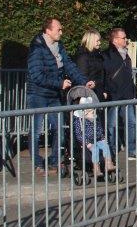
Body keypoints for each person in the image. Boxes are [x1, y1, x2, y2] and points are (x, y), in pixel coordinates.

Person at [26, 17, 92, 175]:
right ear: (48, 31)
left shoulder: (59, 47)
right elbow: (36, 75)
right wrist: (59, 84)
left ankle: (55, 161)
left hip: (54, 95)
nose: (61, 32)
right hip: (38, 95)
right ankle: (37, 163)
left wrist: (84, 82)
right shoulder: (37, 49)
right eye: (58, 29)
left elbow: (69, 65)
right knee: (35, 131)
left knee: (59, 129)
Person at [104, 27, 137, 160]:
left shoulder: (126, 55)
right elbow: (106, 75)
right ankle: (112, 152)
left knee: (131, 122)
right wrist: (109, 90)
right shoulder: (107, 55)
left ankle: (131, 151)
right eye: (123, 38)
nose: (126, 40)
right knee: (112, 125)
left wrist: (132, 92)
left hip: (127, 95)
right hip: (114, 96)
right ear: (115, 40)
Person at [73, 96, 115, 178]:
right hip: (88, 141)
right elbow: (79, 134)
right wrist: (86, 142)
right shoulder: (79, 121)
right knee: (95, 149)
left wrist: (103, 137)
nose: (92, 112)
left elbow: (99, 129)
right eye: (90, 111)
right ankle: (96, 168)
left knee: (106, 146)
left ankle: (108, 163)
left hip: (98, 139)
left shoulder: (95, 119)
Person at [74, 29, 107, 100]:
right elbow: (82, 75)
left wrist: (103, 90)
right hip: (88, 94)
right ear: (91, 41)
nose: (99, 43)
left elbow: (101, 75)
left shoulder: (98, 56)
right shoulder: (83, 57)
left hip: (98, 92)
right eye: (97, 41)